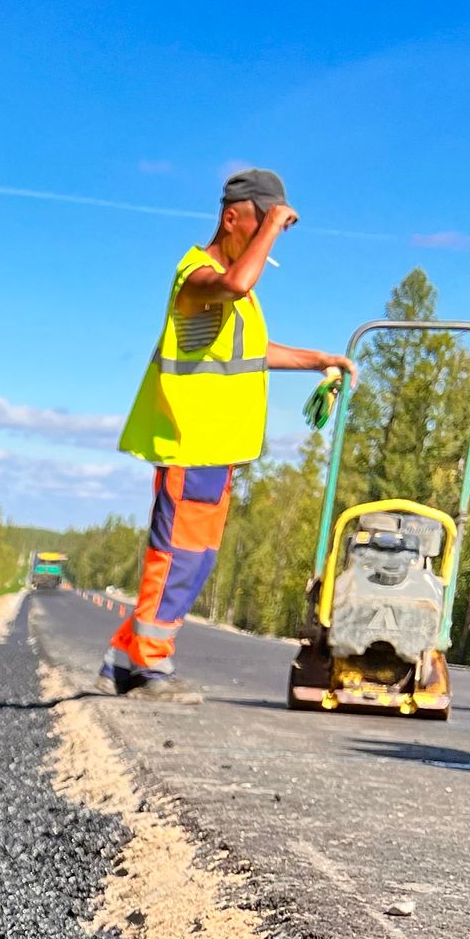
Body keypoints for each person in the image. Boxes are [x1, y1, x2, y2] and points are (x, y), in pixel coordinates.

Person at [105, 169, 354, 699]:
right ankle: (149, 667)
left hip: (218, 451)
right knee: (176, 555)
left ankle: (125, 659)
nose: (273, 234)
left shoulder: (231, 293)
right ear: (231, 217)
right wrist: (273, 226)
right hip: (191, 443)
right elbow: (239, 281)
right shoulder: (195, 275)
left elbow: (250, 351)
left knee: (194, 560)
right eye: (264, 222)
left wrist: (318, 360)